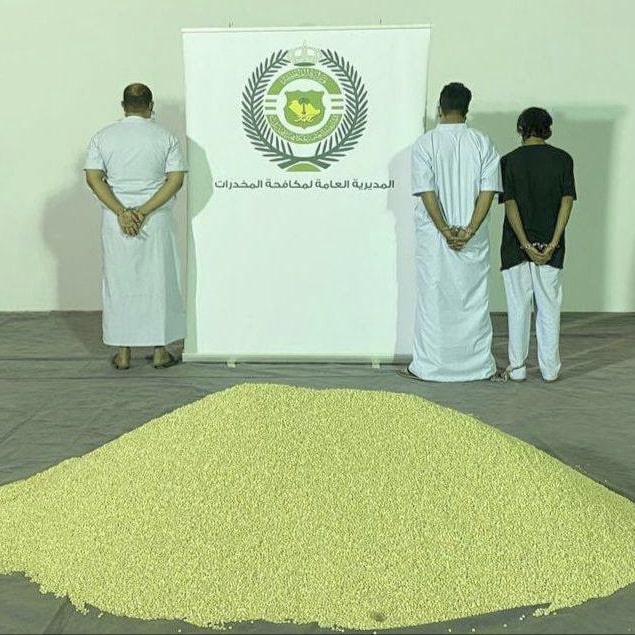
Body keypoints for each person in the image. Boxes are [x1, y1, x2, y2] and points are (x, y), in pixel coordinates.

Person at [400, 82, 502, 382]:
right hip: (472, 239)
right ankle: (477, 366)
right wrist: (469, 230)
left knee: (434, 300)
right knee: (473, 300)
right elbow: (488, 191)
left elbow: (426, 191)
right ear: (466, 110)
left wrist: (445, 230)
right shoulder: (482, 143)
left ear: (439, 109)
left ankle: (431, 366)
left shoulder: (425, 144)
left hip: (435, 239)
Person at [84, 83, 187, 370]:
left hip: (116, 221)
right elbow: (175, 180)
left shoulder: (103, 137)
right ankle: (160, 352)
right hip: (155, 220)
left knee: (119, 283)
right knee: (159, 282)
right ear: (150, 106)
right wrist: (142, 212)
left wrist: (122, 212)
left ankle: (123, 353)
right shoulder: (166, 137)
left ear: (123, 105)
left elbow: (93, 178)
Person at [498, 107, 576, 382]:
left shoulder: (509, 161)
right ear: (548, 129)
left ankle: (517, 368)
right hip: (550, 247)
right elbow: (567, 202)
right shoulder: (563, 159)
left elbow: (510, 204)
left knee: (518, 307)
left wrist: (525, 244)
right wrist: (553, 243)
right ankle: (550, 370)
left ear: (521, 129)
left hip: (515, 246)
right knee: (549, 307)